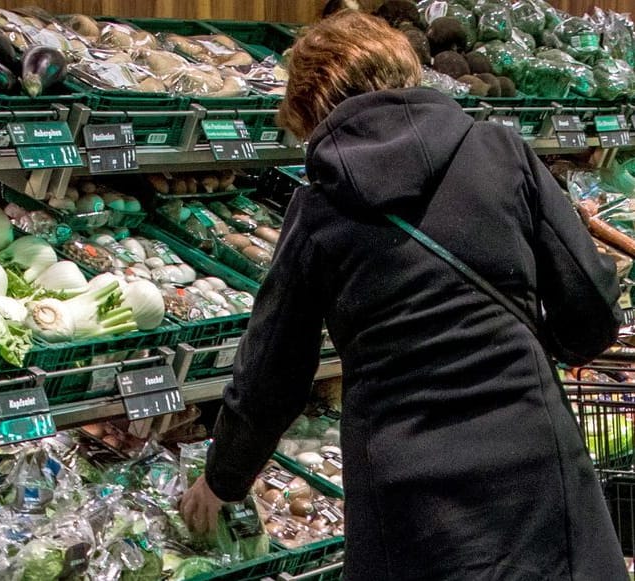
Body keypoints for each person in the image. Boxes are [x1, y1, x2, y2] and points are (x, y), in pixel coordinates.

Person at [178, 11, 628, 581]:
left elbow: (273, 369)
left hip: (407, 495)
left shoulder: (319, 211)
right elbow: (590, 307)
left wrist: (224, 478)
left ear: (312, 109)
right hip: (534, 463)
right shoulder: (502, 153)